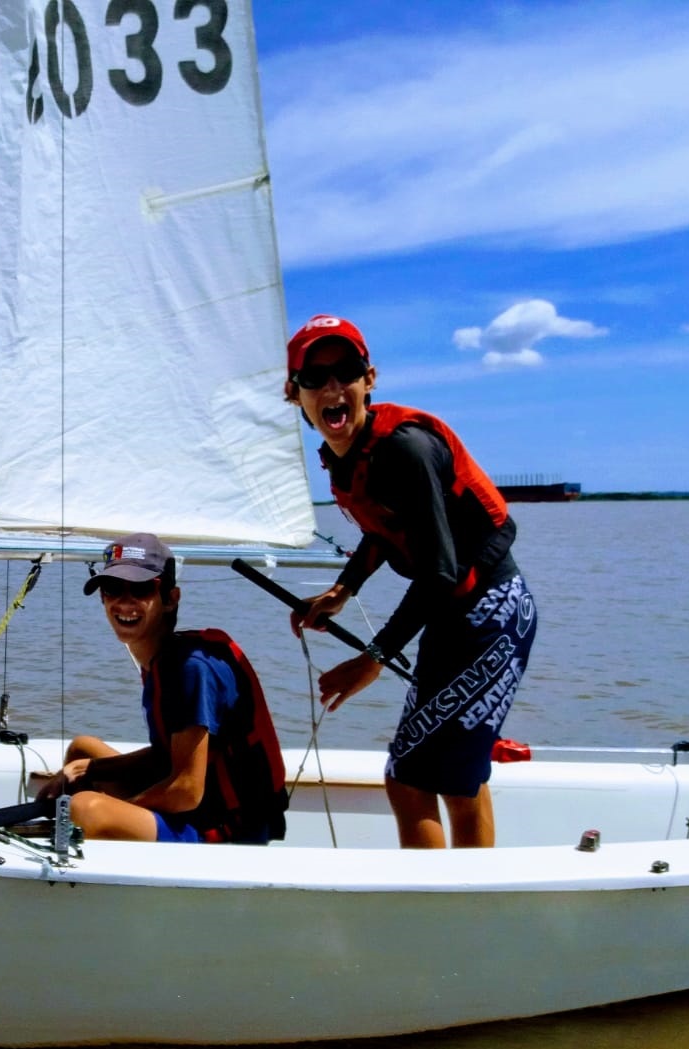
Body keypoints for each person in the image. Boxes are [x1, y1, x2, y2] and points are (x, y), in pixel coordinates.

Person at [283, 314, 537, 849]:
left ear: (368, 379)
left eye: (345, 371)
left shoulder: (404, 450)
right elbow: (386, 531)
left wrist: (372, 658)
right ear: (295, 393)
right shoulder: (344, 456)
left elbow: (440, 570)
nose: (332, 388)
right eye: (314, 378)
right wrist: (343, 590)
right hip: (460, 616)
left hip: (489, 616)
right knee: (448, 777)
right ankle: (467, 901)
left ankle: (446, 909)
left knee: (411, 777)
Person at [35, 532, 290, 844]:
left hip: (227, 831)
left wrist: (118, 811)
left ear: (170, 598)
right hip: (199, 808)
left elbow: (185, 790)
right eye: (112, 588)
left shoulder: (192, 668)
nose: (124, 601)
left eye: (141, 588)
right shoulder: (163, 660)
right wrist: (89, 768)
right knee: (82, 752)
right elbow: (166, 755)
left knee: (87, 811)